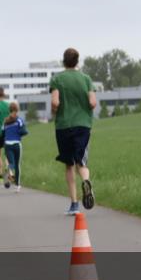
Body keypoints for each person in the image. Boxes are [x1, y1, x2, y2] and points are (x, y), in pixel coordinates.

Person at [49, 47, 97, 215]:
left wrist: (54, 111)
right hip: (83, 124)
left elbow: (55, 103)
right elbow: (92, 102)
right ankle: (86, 181)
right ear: (77, 61)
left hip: (63, 125)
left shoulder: (57, 79)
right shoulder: (86, 79)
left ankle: (74, 204)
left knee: (69, 165)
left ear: (64, 61)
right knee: (81, 162)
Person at [2, 101, 28, 192]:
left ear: (9, 110)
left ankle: (7, 170)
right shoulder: (19, 120)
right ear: (17, 110)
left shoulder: (5, 121)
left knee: (11, 163)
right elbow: (24, 131)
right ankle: (17, 186)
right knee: (17, 165)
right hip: (17, 144)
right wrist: (19, 134)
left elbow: (2, 133)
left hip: (7, 144)